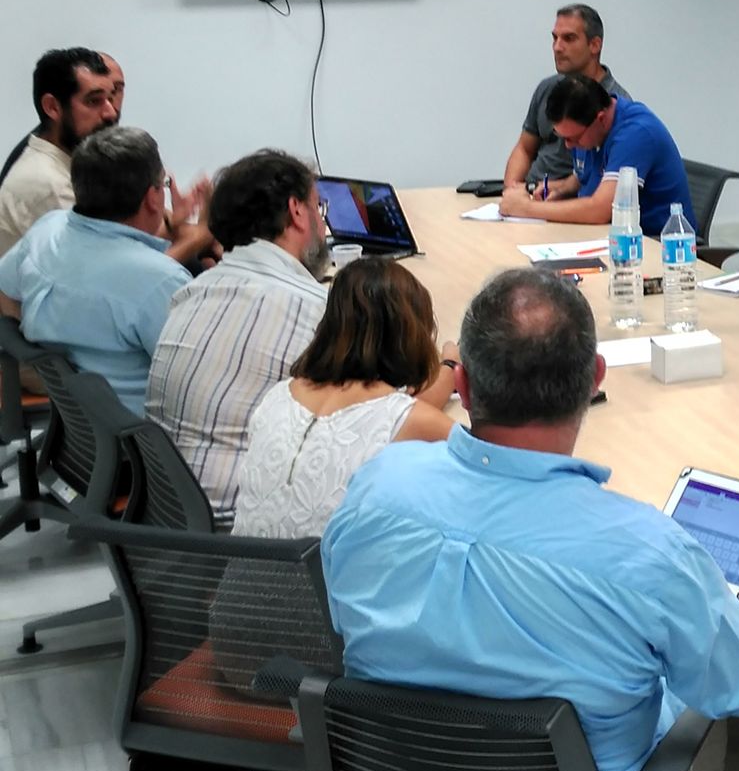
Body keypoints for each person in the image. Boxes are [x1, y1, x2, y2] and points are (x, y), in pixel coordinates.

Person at [321, 268, 739, 771]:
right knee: (692, 700)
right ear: (594, 382)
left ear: (466, 387)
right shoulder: (647, 554)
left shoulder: (375, 488)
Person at [147, 150, 330, 531]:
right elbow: (392, 412)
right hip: (243, 536)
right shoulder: (315, 311)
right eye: (319, 207)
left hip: (166, 516)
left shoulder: (189, 293)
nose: (323, 224)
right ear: (296, 211)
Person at [230, 258, 458, 540]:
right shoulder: (414, 421)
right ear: (410, 336)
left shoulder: (279, 395)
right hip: (333, 583)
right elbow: (489, 468)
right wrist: (452, 365)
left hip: (238, 577)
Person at [0, 128, 211, 414]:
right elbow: (199, 382)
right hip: (144, 442)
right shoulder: (162, 280)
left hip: (77, 427)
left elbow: (5, 292)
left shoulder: (47, 230)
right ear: (153, 197)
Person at [496, 74, 694, 237]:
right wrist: (557, 189)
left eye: (573, 138)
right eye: (562, 137)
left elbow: (600, 209)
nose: (568, 145)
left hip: (656, 245)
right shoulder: (590, 131)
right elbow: (582, 177)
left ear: (600, 119)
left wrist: (525, 209)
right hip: (606, 236)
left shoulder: (636, 134)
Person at [0, 48, 117, 256]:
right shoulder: (47, 183)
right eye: (94, 101)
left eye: (111, 97)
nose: (111, 112)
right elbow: (102, 276)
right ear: (52, 107)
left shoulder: (70, 164)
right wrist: (192, 240)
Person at [502, 3, 630, 190]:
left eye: (569, 38)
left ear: (594, 45)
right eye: (555, 38)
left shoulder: (615, 104)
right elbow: (524, 148)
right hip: (530, 194)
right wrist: (511, 189)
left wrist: (545, 194)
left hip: (569, 202)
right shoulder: (548, 88)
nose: (557, 47)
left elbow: (601, 182)